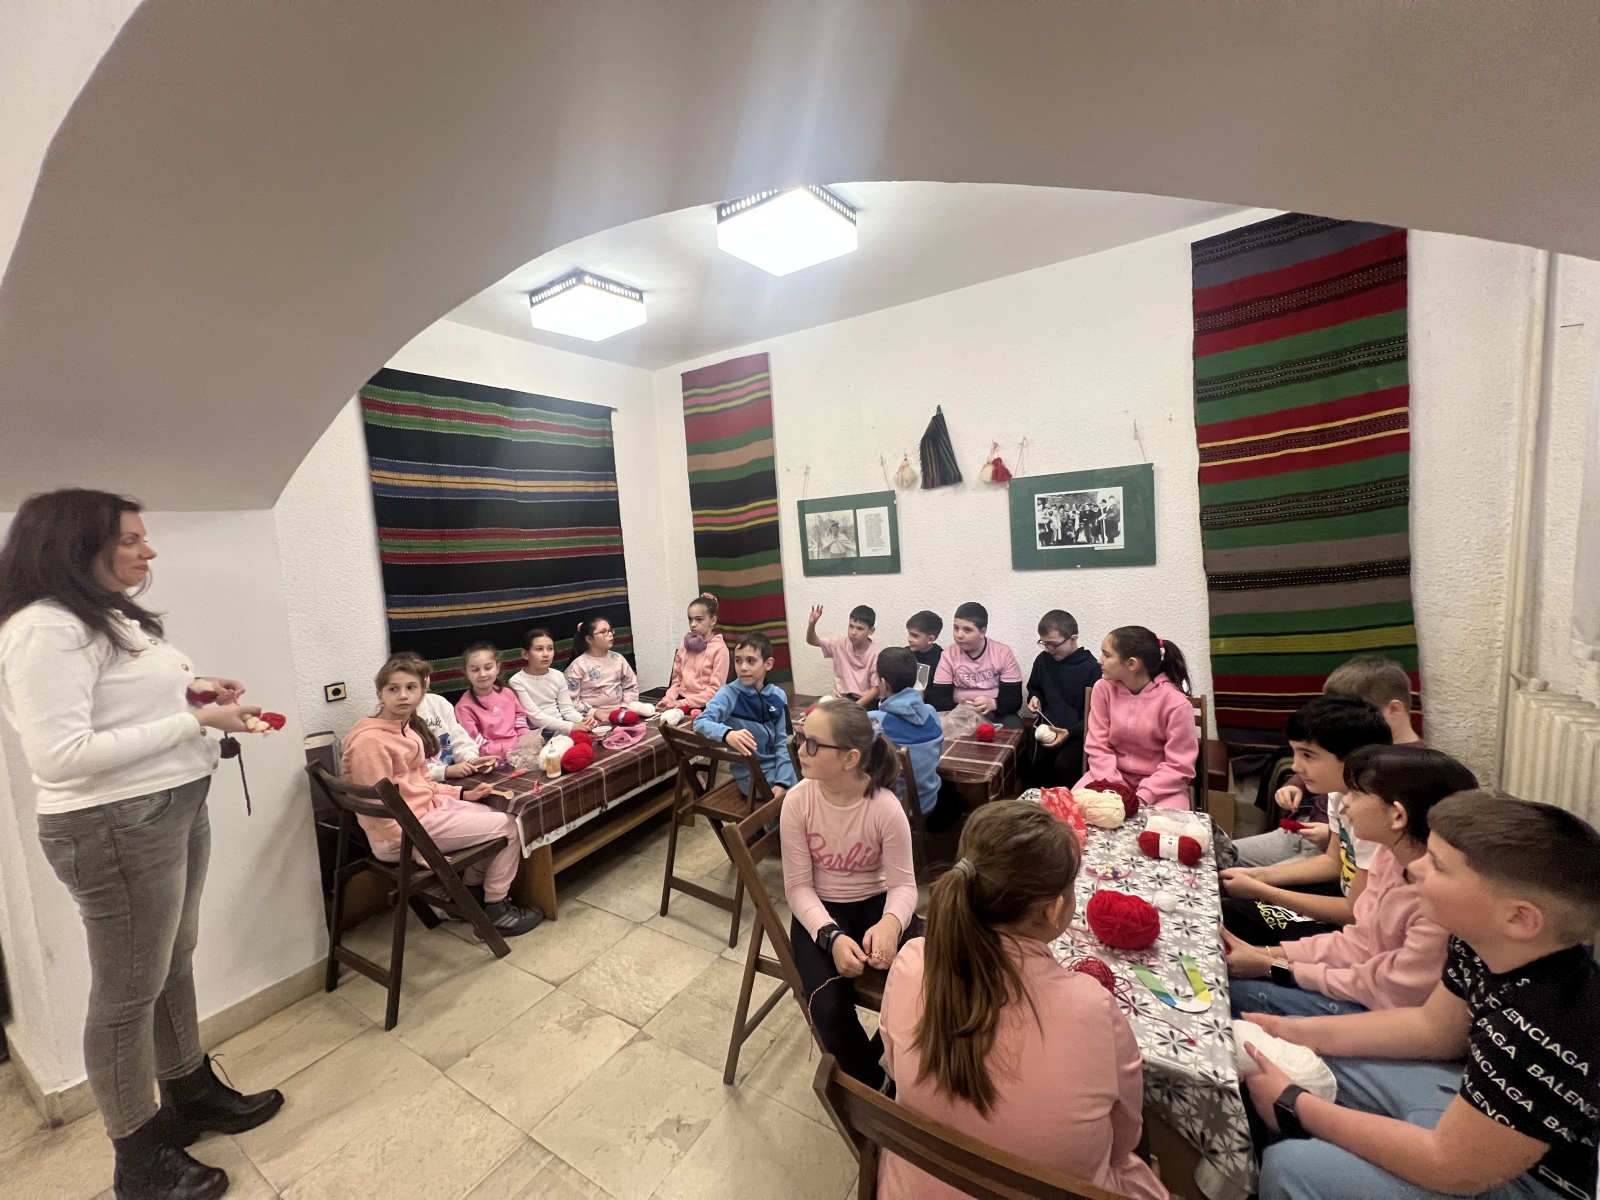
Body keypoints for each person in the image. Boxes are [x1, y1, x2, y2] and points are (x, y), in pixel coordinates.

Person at [0, 489, 285, 1200]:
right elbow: (61, 754)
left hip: (167, 807)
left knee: (170, 963)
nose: (148, 551)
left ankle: (190, 1092)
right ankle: (140, 1158)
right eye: (130, 539)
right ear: (75, 544)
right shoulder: (43, 628)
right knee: (127, 993)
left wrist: (195, 693)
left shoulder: (105, 617)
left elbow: (122, 706)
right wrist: (196, 723)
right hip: (114, 826)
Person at [1242, 791, 1600, 1200]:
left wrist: (1295, 1105)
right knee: (1295, 1052)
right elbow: (1432, 1029)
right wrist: (1292, 1031)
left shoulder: (1547, 1022)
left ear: (1518, 918)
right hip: (1472, 1121)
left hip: (1527, 1179)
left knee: (1292, 1167)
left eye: (1439, 866)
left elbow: (1452, 1166)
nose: (1415, 868)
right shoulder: (1479, 942)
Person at [878, 800, 1167, 1199]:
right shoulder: (1093, 1009)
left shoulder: (912, 962)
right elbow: (1123, 1142)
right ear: (1054, 910)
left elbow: (896, 1069)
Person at [1224, 746, 1477, 1017]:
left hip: (1385, 1011)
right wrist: (1265, 955)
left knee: (1232, 993)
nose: (1346, 802)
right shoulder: (1388, 856)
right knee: (1227, 966)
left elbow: (1389, 990)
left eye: (1356, 794)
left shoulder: (1437, 904)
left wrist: (1271, 966)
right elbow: (1357, 942)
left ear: (1397, 815)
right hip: (1360, 983)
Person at [343, 656, 543, 937]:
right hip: (401, 835)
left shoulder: (405, 728)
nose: (403, 695)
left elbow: (423, 781)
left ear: (422, 691)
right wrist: (415, 847)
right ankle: (497, 907)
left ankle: (472, 890)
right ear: (380, 694)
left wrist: (462, 793)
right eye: (393, 689)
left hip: (423, 813)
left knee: (501, 815)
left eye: (410, 688)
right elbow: (376, 808)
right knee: (511, 827)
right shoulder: (370, 743)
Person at [782, 699, 918, 1088]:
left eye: (812, 743)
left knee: (929, 985)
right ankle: (876, 1086)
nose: (800, 749)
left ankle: (918, 1077)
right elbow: (798, 887)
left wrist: (891, 923)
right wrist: (831, 937)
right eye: (801, 738)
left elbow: (904, 885)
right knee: (828, 1009)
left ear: (849, 758)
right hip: (821, 911)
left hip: (876, 905)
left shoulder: (884, 807)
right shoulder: (798, 801)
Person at [1222, 696, 1392, 943]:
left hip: (1357, 931)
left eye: (1308, 755)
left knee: (1229, 915)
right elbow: (1333, 862)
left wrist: (1262, 889)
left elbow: (1354, 912)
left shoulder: (1373, 818)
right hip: (1340, 896)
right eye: (1295, 753)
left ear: (1355, 758)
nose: (1296, 766)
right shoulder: (1338, 794)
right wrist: (1259, 876)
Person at [1239, 654, 1425, 869]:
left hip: (1336, 851)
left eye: (1351, 712)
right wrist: (1296, 784)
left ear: (1393, 709)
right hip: (1308, 833)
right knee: (1219, 854)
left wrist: (1329, 835)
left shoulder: (1408, 770)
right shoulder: (1345, 771)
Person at [1076, 625, 1198, 809]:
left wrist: (1142, 796)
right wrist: (1116, 788)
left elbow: (1179, 765)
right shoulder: (1102, 689)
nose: (1099, 661)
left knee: (1166, 827)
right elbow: (1097, 746)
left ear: (1132, 664)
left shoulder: (1176, 704)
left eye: (1106, 655)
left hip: (1162, 788)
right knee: (1070, 816)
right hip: (1106, 778)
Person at [693, 632, 798, 797]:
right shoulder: (728, 694)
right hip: (751, 777)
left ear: (768, 664)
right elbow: (700, 722)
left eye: (750, 661)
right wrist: (727, 734)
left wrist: (782, 782)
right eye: (738, 660)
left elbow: (783, 742)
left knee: (816, 776)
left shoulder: (778, 696)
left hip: (779, 769)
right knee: (808, 790)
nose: (743, 667)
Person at [1023, 609, 1102, 787]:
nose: (1048, 649)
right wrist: (1035, 697)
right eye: (1044, 643)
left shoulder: (1092, 668)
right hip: (1047, 727)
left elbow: (1095, 715)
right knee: (1033, 761)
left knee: (1063, 766)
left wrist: (1070, 732)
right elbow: (1035, 687)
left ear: (1072, 639)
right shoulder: (1043, 660)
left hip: (1076, 734)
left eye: (1053, 644)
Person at [393, 652, 499, 782]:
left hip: (451, 776)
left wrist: (471, 760)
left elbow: (458, 738)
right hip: (424, 783)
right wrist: (445, 771)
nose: (422, 682)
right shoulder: (396, 715)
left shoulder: (439, 703)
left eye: (424, 676)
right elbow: (404, 769)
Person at [870, 646, 944, 815]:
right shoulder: (931, 712)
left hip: (891, 808)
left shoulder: (875, 720)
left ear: (883, 683)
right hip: (927, 802)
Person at [925, 602, 1024, 728]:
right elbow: (939, 699)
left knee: (1015, 726)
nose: (959, 635)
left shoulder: (1002, 653)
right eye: (956, 628)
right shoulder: (948, 655)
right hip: (957, 713)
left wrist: (994, 704)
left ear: (982, 632)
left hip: (996, 713)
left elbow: (1014, 699)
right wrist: (961, 708)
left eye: (967, 630)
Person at [508, 628, 596, 736]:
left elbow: (567, 710)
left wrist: (583, 721)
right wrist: (571, 727)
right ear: (525, 654)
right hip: (538, 731)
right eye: (539, 649)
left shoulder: (558, 675)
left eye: (550, 649)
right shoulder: (516, 681)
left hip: (562, 725)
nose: (546, 654)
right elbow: (535, 717)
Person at [452, 642, 532, 760]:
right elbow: (475, 743)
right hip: (491, 759)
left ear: (497, 668)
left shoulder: (508, 693)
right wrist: (511, 748)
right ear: (466, 673)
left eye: (488, 668)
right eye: (475, 670)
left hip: (520, 751)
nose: (482, 674)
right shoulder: (463, 708)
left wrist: (527, 737)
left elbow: (519, 719)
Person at [660, 592, 729, 709]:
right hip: (681, 700)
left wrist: (685, 703)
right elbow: (676, 682)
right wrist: (668, 699)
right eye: (690, 619)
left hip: (707, 705)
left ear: (713, 620)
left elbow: (715, 690)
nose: (693, 624)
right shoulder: (684, 646)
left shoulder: (720, 649)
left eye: (699, 619)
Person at [805, 602, 881, 705]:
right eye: (851, 626)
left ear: (871, 631)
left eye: (860, 628)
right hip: (843, 700)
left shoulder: (877, 654)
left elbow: (875, 689)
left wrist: (855, 707)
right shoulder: (839, 644)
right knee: (820, 707)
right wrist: (812, 624)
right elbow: (812, 641)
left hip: (866, 702)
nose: (853, 632)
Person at [564, 615, 639, 715]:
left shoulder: (618, 659)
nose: (610, 635)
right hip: (591, 718)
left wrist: (625, 707)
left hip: (621, 712)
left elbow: (631, 686)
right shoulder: (577, 666)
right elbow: (571, 700)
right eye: (603, 632)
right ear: (589, 639)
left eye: (610, 630)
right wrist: (594, 713)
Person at [905, 610, 944, 689]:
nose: (909, 639)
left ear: (930, 639)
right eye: (909, 634)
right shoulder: (904, 654)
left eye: (915, 636)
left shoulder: (942, 658)